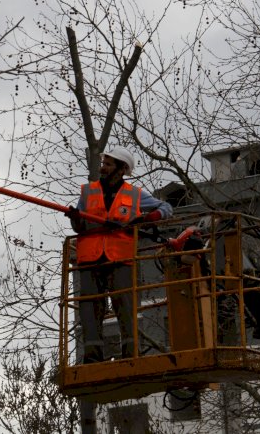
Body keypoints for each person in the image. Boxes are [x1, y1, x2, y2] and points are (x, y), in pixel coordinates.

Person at [67, 147, 173, 363]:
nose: (103, 168)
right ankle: (93, 357)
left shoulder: (134, 194)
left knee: (124, 305)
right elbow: (79, 227)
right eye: (103, 163)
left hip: (120, 257)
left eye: (108, 164)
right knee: (90, 308)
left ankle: (130, 355)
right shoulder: (88, 192)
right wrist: (75, 218)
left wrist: (148, 218)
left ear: (122, 169)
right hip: (90, 258)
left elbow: (166, 207)